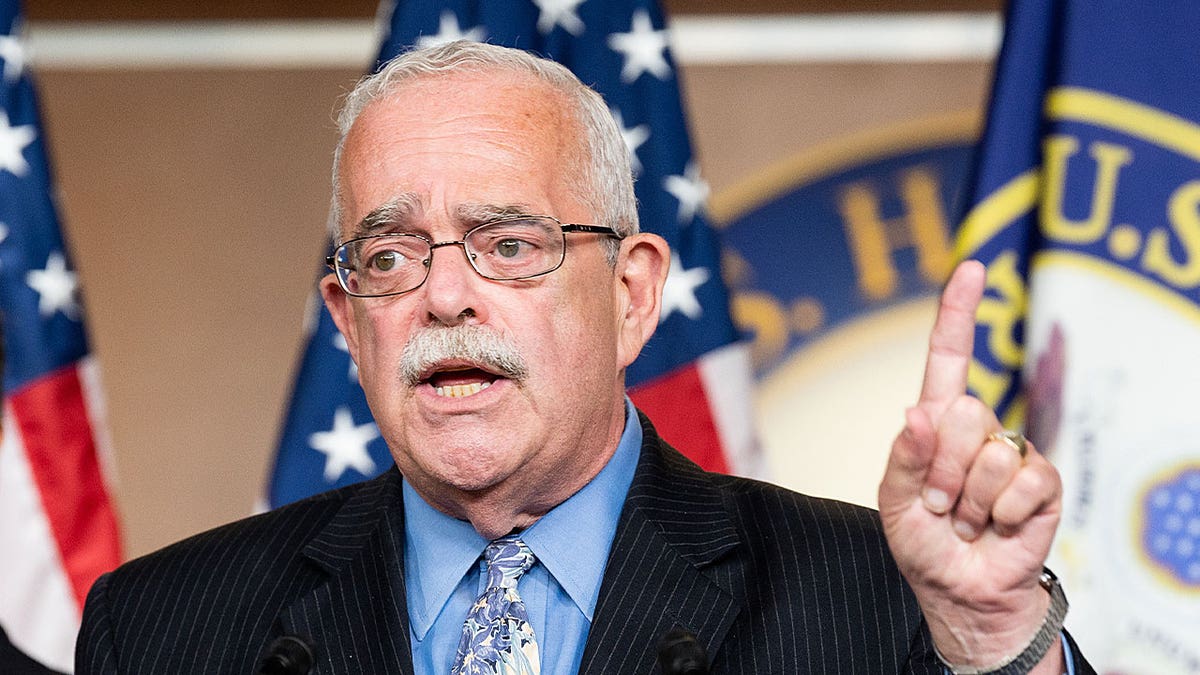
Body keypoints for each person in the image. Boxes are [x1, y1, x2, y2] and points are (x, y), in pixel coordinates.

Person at [76, 41, 1092, 674]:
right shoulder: (161, 630)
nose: (443, 294)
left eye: (509, 243)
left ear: (634, 292)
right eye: (390, 254)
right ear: (349, 318)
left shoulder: (882, 600)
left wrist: (997, 641)